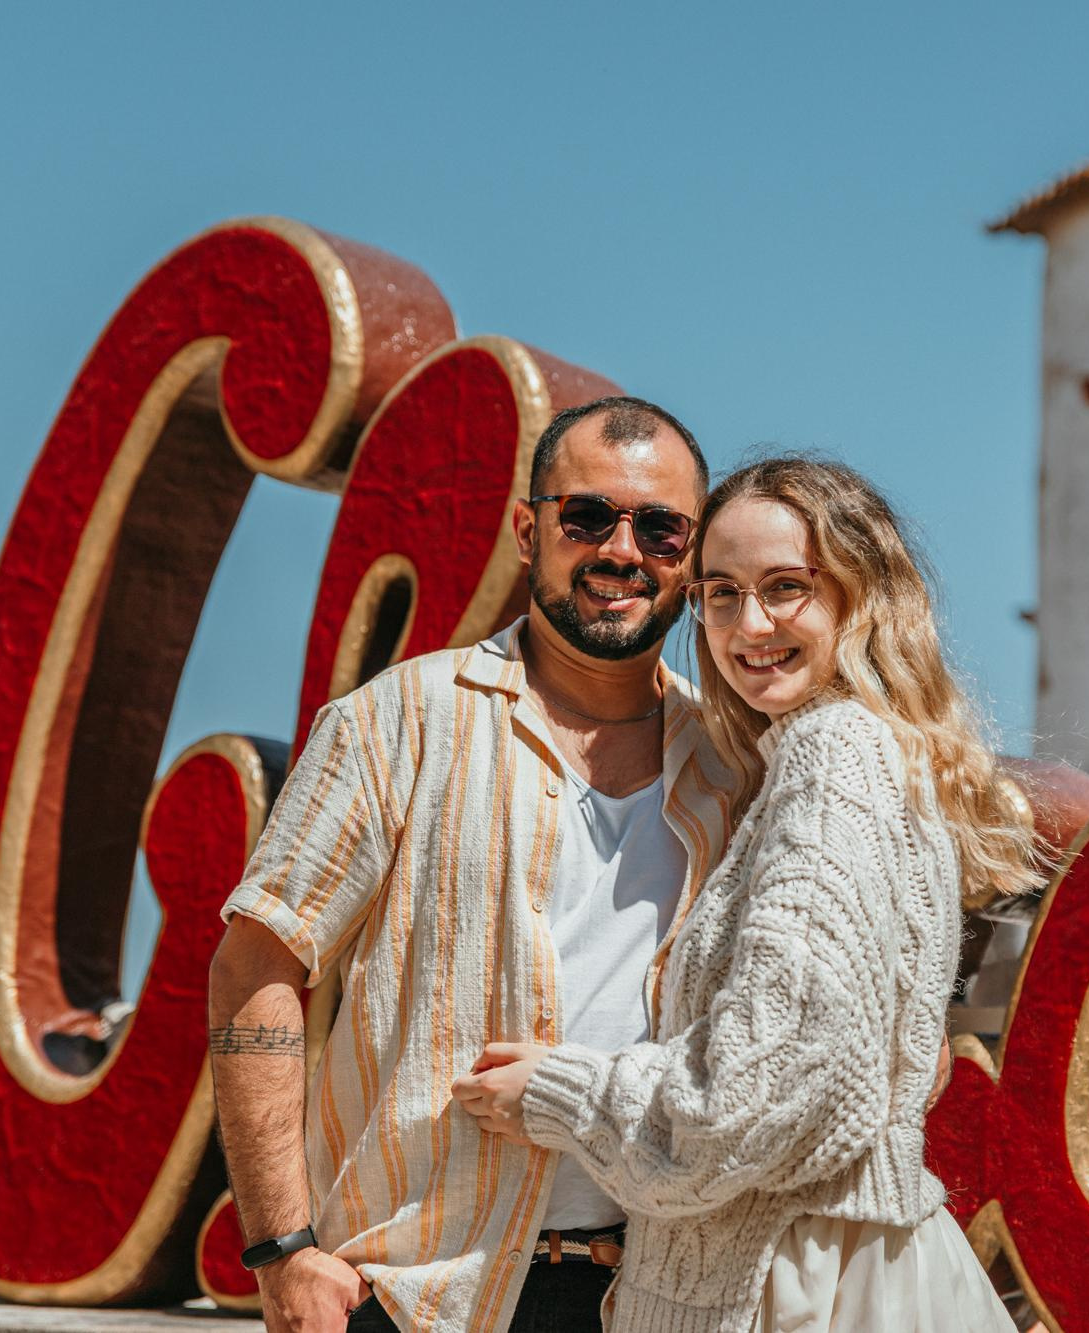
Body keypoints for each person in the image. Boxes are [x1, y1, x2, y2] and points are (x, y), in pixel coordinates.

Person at [452, 456, 1041, 1332]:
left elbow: (756, 1092)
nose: (748, 623)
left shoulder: (833, 756)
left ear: (861, 596)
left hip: (792, 1283)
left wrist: (556, 1091)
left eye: (787, 586)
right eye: (720, 593)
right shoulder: (859, 753)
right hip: (838, 1261)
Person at [206, 396, 739, 1333]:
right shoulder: (395, 723)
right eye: (587, 517)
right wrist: (281, 1250)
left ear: (692, 560)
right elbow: (256, 968)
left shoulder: (732, 767)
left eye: (660, 527)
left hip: (655, 1297)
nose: (622, 550)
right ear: (529, 532)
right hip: (417, 1297)